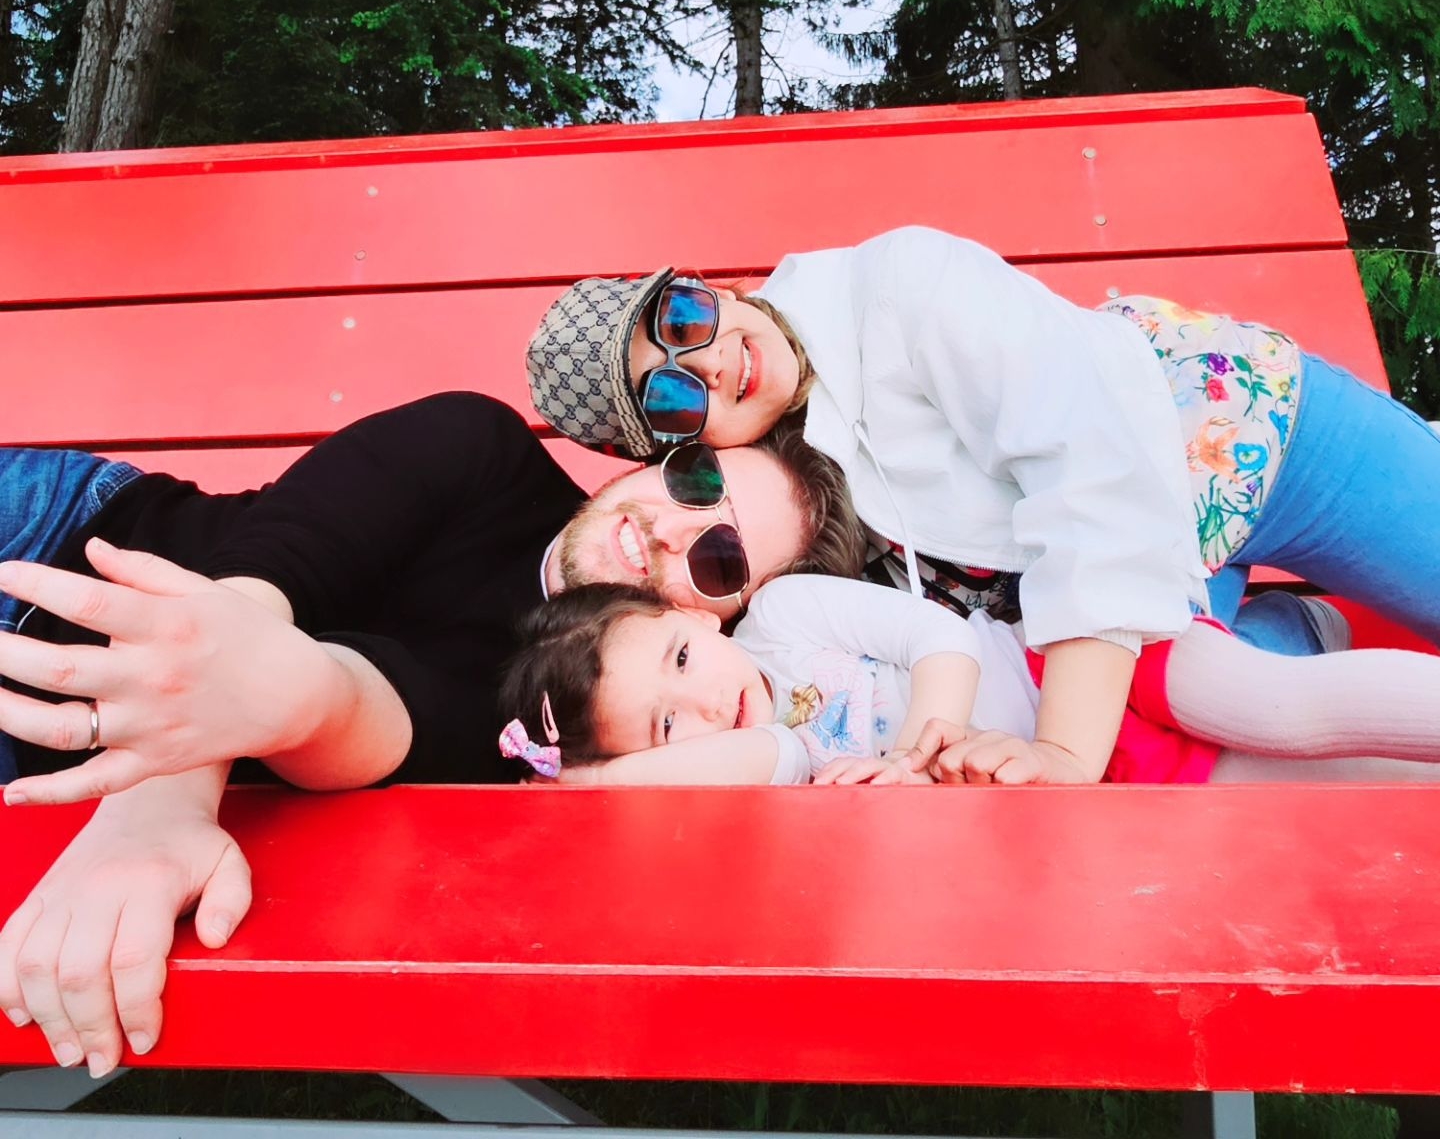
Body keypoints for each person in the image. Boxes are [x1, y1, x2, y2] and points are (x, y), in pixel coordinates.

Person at [0, 395, 862, 1079]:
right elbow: (263, 582)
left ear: (721, 624)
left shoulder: (557, 732)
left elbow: (355, 706)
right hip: (52, 541)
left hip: (32, 768)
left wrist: (291, 706)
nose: (670, 527)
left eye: (719, 559)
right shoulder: (480, 447)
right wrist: (151, 813)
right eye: (696, 482)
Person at [526, 228, 1440, 787]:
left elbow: (1090, 470)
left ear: (708, 286)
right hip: (1156, 603)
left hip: (1248, 439)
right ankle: (1299, 625)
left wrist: (1066, 754)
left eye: (683, 320)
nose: (712, 362)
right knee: (1249, 735)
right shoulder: (781, 521)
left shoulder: (900, 287)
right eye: (673, 398)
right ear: (678, 446)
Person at [499, 574, 1440, 789]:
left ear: (694, 615)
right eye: (667, 729)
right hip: (1094, 783)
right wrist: (590, 781)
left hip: (1078, 664)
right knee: (1328, 791)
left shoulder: (783, 616)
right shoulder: (779, 773)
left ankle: (1301, 635)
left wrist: (919, 749)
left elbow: (935, 636)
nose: (705, 701)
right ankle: (1304, 635)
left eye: (679, 660)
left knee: (1281, 710)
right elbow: (762, 751)